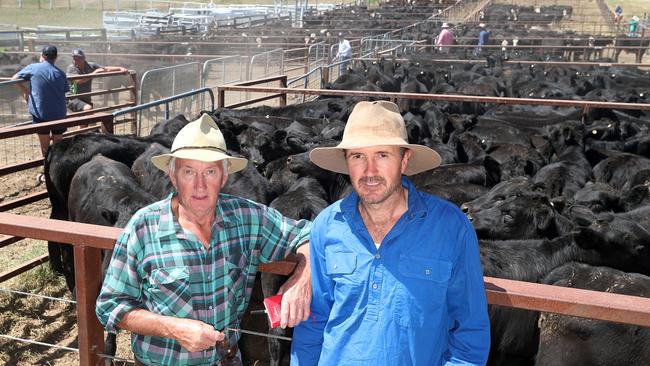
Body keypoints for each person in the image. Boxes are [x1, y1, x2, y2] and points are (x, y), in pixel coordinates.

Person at [96, 114, 313, 366]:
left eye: (210, 171)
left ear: (224, 176)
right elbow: (110, 306)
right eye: (188, 171)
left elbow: (307, 233)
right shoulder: (143, 227)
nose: (200, 185)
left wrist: (301, 279)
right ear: (173, 175)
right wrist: (172, 328)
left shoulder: (247, 217)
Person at [290, 101, 490, 365]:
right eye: (358, 156)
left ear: (404, 160)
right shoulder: (327, 224)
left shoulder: (450, 227)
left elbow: (470, 330)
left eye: (383, 155)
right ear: (346, 163)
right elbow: (313, 322)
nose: (369, 171)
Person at [11, 45, 68, 156]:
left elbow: (14, 79)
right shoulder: (61, 73)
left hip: (41, 113)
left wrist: (26, 91)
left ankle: (46, 168)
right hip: (59, 114)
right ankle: (57, 170)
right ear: (56, 57)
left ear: (42, 56)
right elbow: (65, 90)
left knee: (45, 145)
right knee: (58, 144)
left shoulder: (33, 67)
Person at [66, 48, 128, 114]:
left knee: (86, 119)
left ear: (84, 58)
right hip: (73, 98)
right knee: (88, 111)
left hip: (86, 98)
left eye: (79, 59)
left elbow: (105, 69)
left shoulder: (90, 66)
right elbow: (79, 81)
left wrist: (120, 68)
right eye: (75, 59)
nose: (76, 61)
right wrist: (94, 73)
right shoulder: (71, 68)